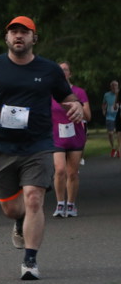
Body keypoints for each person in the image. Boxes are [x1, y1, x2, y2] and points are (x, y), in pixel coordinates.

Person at [0, 16, 83, 280]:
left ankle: (30, 260)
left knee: (33, 198)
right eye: (14, 32)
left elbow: (66, 95)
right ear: (7, 38)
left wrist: (74, 104)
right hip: (1, 145)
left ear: (34, 38)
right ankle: (19, 221)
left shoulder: (49, 69)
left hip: (38, 145)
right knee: (11, 209)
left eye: (24, 32)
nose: (18, 36)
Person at [50, 62, 91, 217]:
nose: (62, 72)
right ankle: (60, 204)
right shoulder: (50, 93)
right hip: (56, 136)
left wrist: (77, 107)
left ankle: (71, 205)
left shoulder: (79, 92)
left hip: (75, 135)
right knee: (60, 170)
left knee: (72, 173)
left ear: (70, 74)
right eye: (59, 70)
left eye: (65, 70)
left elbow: (88, 116)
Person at [103, 80, 119, 157]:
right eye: (113, 85)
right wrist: (103, 110)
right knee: (110, 133)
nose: (114, 87)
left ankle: (119, 149)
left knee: (119, 134)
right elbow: (104, 104)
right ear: (110, 87)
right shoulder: (106, 95)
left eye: (115, 85)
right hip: (110, 116)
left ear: (118, 86)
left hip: (119, 116)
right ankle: (113, 148)